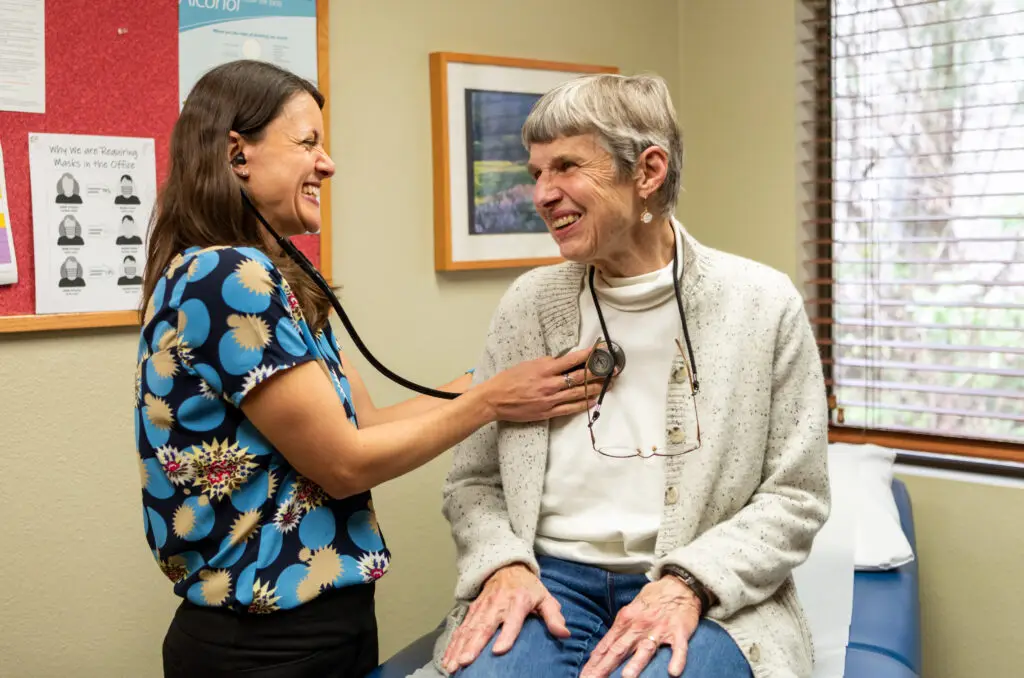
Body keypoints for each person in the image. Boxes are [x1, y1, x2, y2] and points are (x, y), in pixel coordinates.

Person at [135, 59, 599, 678]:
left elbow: (369, 423)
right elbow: (345, 462)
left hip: (325, 626)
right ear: (237, 153)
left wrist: (497, 379)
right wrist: (490, 403)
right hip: (268, 645)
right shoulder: (226, 276)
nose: (327, 163)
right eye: (308, 143)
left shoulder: (259, 276)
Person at [425, 73, 830, 678]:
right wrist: (504, 564)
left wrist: (689, 582)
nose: (542, 193)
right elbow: (473, 483)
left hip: (702, 585)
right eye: (535, 172)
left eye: (565, 166)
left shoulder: (761, 303)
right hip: (547, 581)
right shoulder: (529, 305)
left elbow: (795, 495)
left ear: (648, 171)